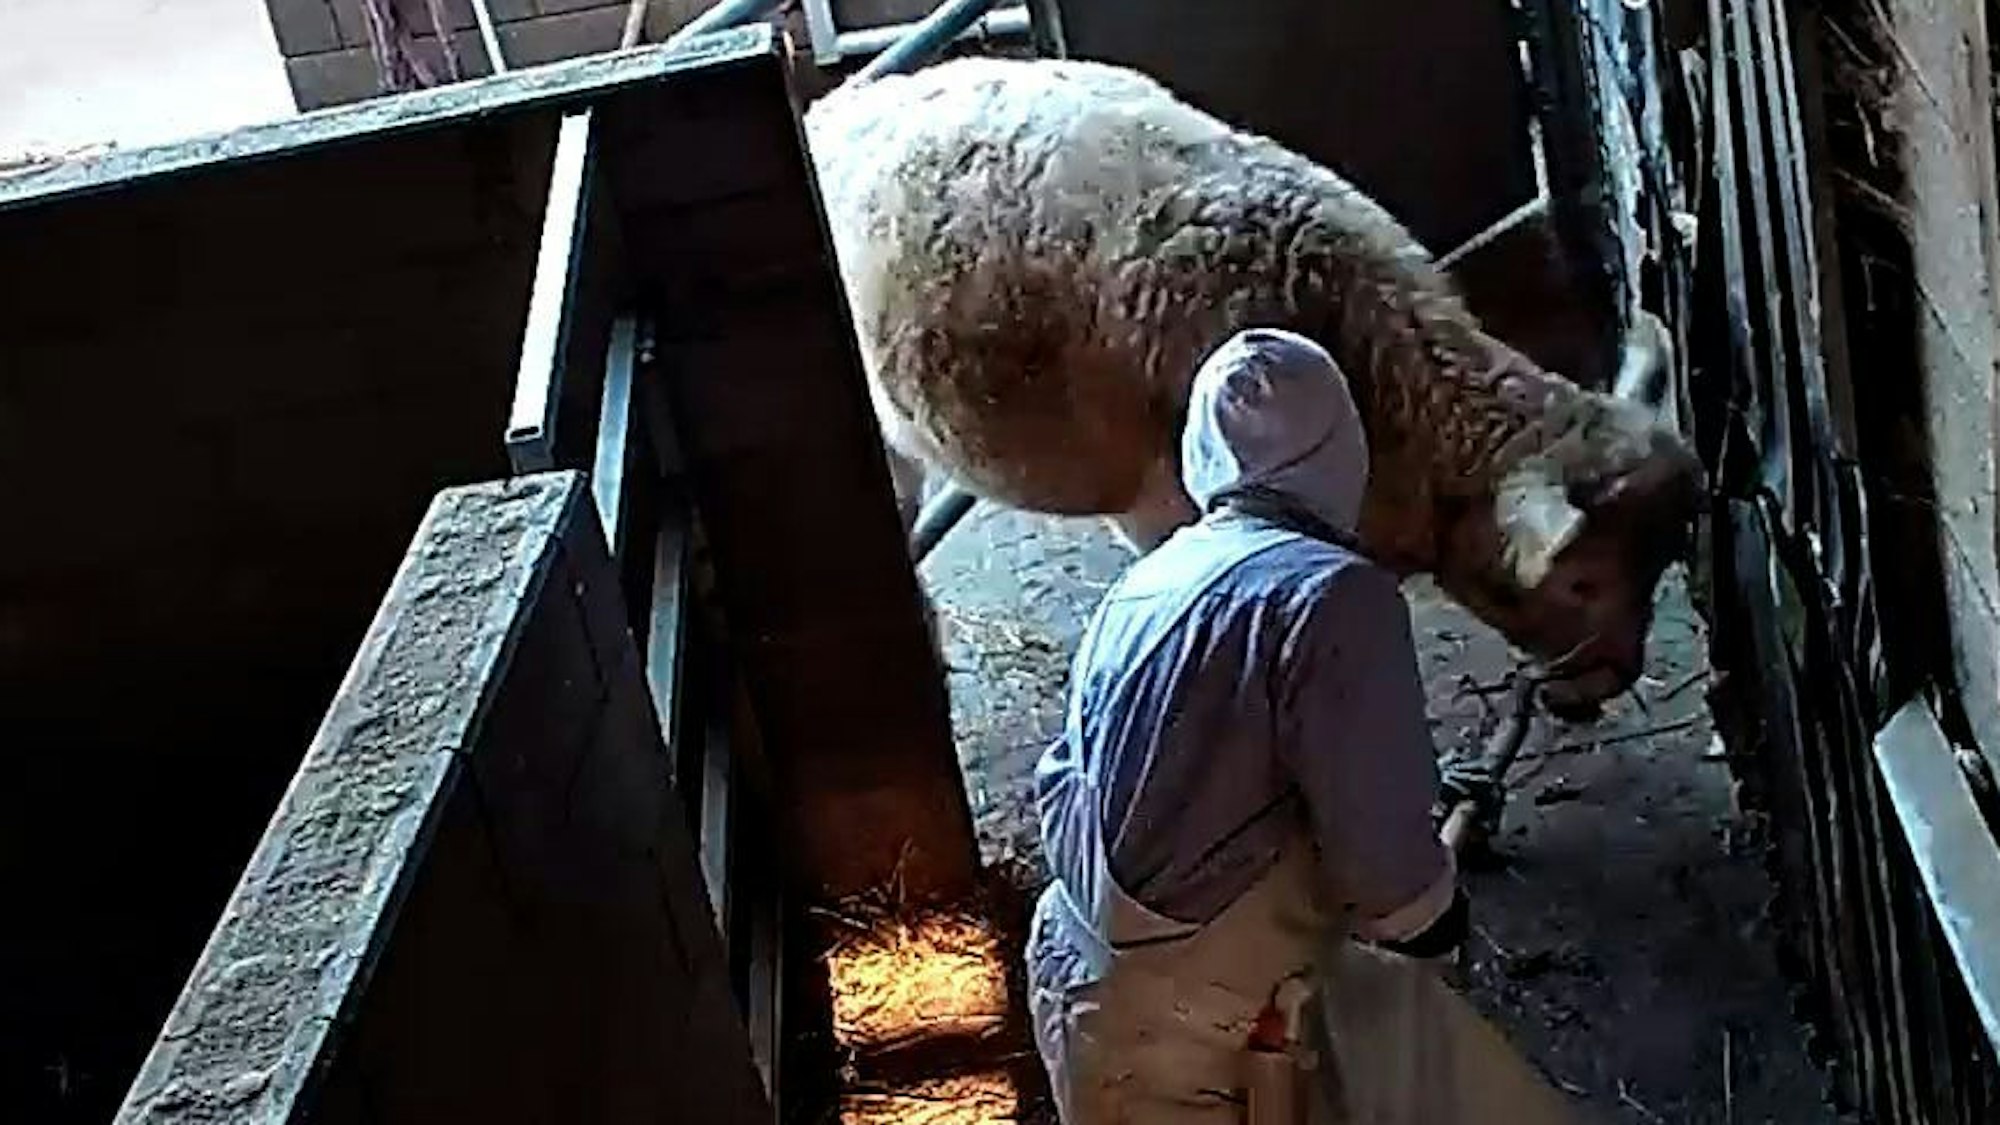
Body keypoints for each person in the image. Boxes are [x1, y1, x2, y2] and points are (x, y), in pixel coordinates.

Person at [1027, 327, 1577, 1124]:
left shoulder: (1147, 580)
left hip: (1080, 987)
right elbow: (1387, 878)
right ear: (1343, 451)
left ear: (1201, 453)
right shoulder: (1333, 596)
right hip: (1191, 1041)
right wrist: (1433, 913)